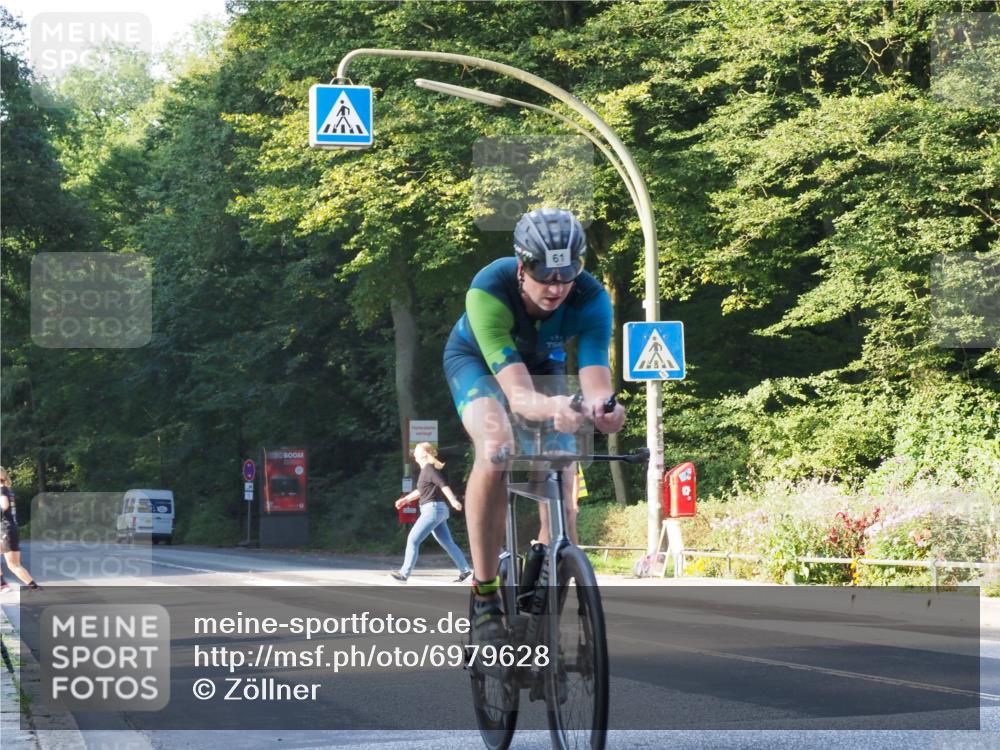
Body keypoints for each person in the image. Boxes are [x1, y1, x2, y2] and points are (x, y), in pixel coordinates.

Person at [443, 208, 625, 641]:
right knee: (497, 446)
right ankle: (486, 593)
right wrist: (555, 407)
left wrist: (605, 410)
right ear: (523, 268)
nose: (558, 289)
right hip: (479, 364)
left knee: (562, 467)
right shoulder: (488, 290)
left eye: (567, 277)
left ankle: (546, 590)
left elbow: (597, 378)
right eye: (546, 277)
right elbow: (520, 398)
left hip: (545, 362)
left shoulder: (591, 297)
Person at [390, 442, 473, 583]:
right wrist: (405, 499)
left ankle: (403, 575)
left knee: (413, 540)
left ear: (424, 453)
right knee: (447, 542)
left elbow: (443, 485)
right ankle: (465, 572)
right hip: (436, 510)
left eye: (416, 450)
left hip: (432, 510)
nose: (414, 453)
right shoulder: (426, 471)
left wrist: (453, 500)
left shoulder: (429, 469)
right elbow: (422, 491)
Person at [0, 466, 42, 592]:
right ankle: (2, 584)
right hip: (9, 529)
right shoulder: (7, 490)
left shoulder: (2, 490)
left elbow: (4, 505)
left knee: (14, 565)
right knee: (14, 564)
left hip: (6, 530)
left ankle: (35, 588)